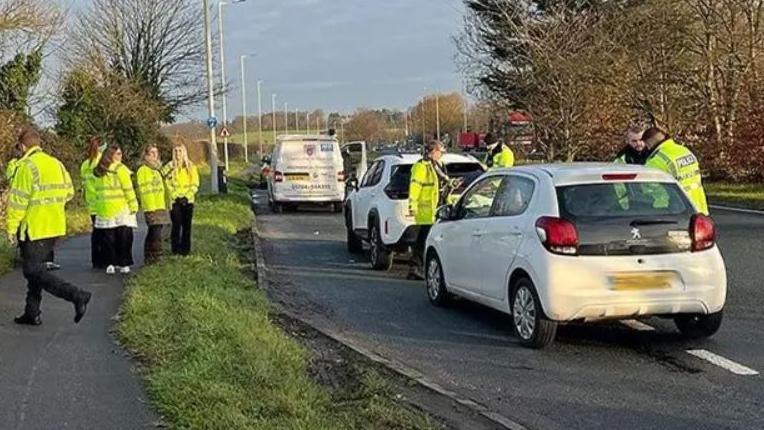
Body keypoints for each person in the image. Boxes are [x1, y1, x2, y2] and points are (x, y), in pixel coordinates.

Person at [5, 128, 91, 325]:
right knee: (38, 269)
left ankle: (77, 295)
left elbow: (18, 202)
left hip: (36, 226)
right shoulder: (56, 164)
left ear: (23, 145)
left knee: (32, 271)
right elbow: (69, 192)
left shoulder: (26, 166)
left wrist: (11, 228)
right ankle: (32, 312)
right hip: (55, 225)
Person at [408, 140, 451, 279]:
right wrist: (412, 206)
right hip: (426, 210)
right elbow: (415, 187)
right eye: (440, 152)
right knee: (423, 240)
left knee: (432, 241)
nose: (442, 155)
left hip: (438, 208)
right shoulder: (421, 167)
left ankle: (422, 268)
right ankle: (415, 268)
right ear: (433, 152)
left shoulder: (438, 166)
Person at [642, 127, 709, 215]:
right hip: (699, 204)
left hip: (673, 209)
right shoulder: (685, 151)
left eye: (647, 145)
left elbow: (647, 188)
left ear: (649, 143)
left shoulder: (656, 160)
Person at [93, 144, 138, 274]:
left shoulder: (99, 170)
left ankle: (110, 264)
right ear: (110, 155)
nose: (120, 156)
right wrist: (133, 205)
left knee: (108, 239)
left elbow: (96, 191)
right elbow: (128, 189)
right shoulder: (120, 169)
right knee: (124, 237)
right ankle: (124, 263)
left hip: (104, 209)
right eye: (118, 154)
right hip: (121, 208)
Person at [136, 144, 169, 264]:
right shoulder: (143, 170)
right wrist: (150, 207)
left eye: (156, 153)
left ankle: (151, 256)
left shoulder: (156, 170)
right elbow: (144, 190)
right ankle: (155, 256)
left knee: (155, 231)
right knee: (155, 233)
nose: (155, 156)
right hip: (151, 207)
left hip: (160, 205)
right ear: (146, 155)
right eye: (152, 153)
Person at [163, 144, 199, 256]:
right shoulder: (169, 167)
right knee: (176, 225)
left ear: (184, 152)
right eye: (176, 151)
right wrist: (175, 196)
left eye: (180, 151)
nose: (178, 154)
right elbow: (166, 182)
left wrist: (187, 197)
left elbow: (195, 183)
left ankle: (185, 250)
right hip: (175, 201)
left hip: (188, 201)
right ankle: (175, 250)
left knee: (187, 226)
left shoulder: (191, 166)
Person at [80, 137, 106, 269]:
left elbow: (83, 184)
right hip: (103, 202)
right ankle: (105, 259)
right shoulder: (104, 163)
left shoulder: (85, 164)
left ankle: (96, 260)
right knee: (105, 232)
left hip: (91, 202)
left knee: (96, 232)